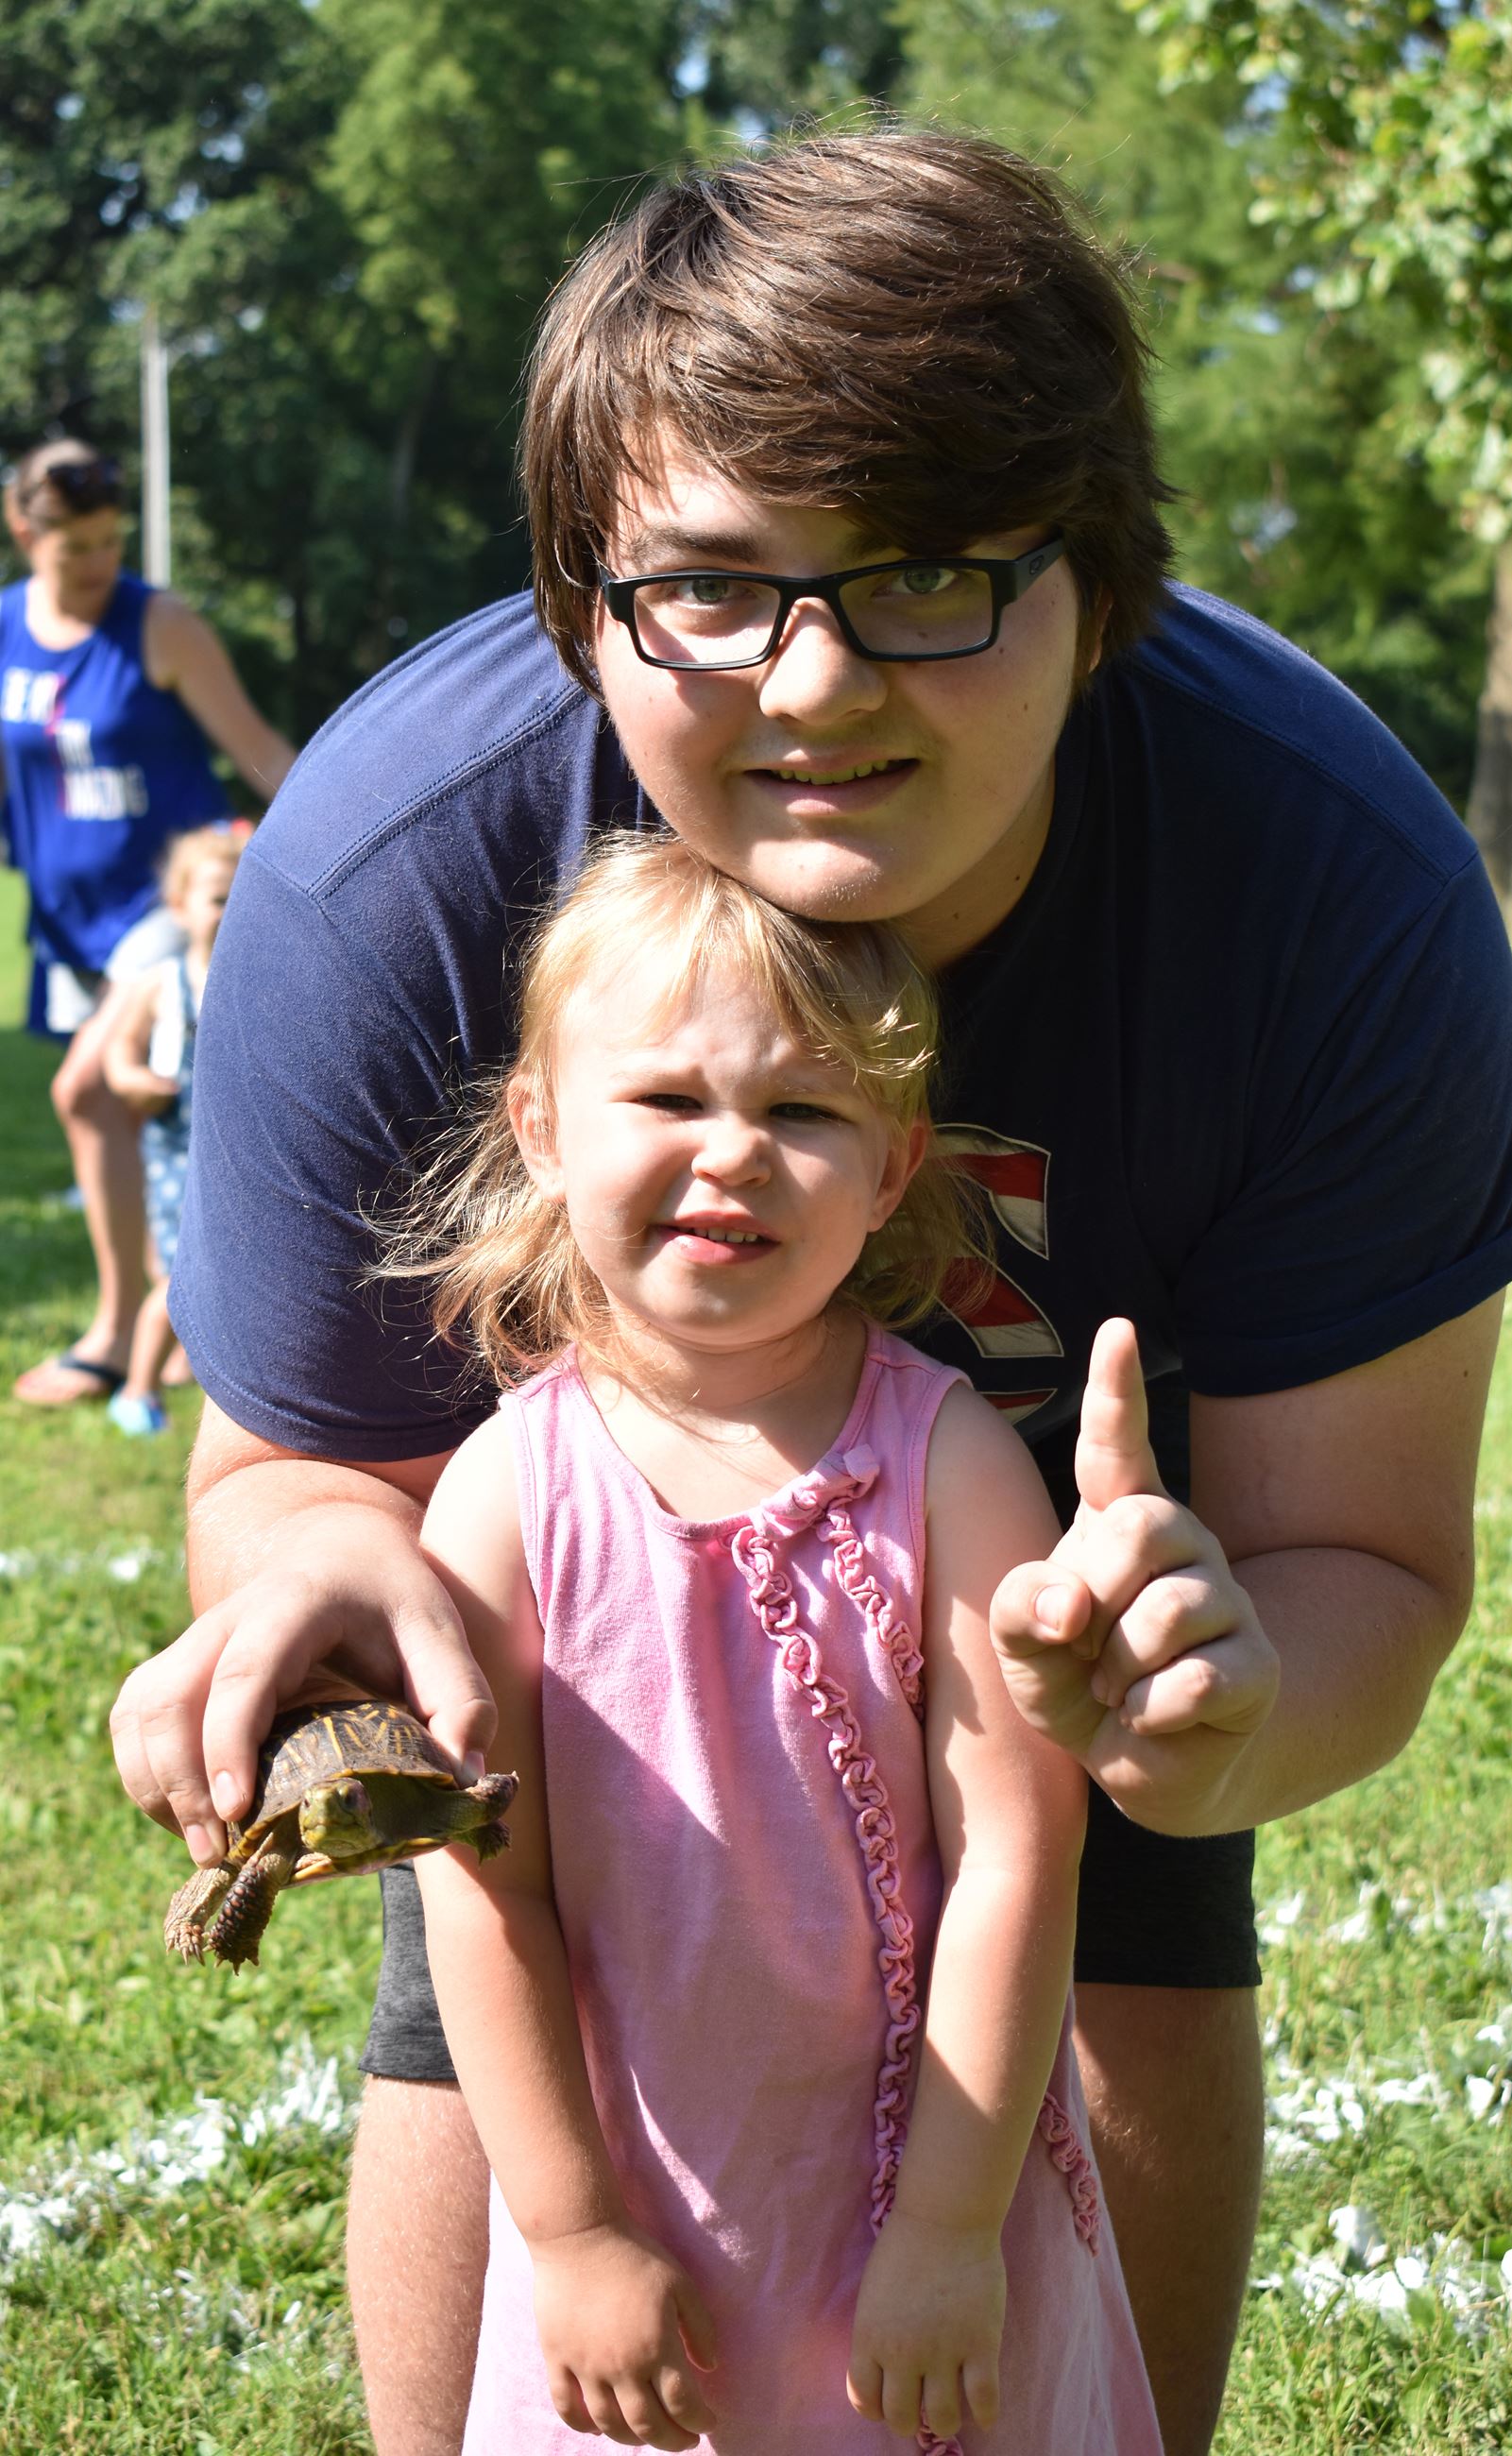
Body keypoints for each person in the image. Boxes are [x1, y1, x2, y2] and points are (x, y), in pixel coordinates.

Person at [107, 126, 1512, 2456]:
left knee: (1126, 1888)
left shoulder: (1323, 891)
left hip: (1053, 1556)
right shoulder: (390, 879)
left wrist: (1221, 1711)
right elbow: (295, 1467)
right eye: (710, 586)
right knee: (486, 1878)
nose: (816, 677)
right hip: (589, 1575)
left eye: (932, 570)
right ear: (581, 604)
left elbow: (1355, 1555)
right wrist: (332, 1575)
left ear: (1100, 586)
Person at [400, 828, 1161, 2453]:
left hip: (922, 2199)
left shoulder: (950, 1461)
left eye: (804, 1112)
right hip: (645, 2204)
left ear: (892, 1170)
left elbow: (1018, 1853)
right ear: (541, 1128)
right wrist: (569, 2231)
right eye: (668, 1099)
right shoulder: (504, 1496)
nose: (733, 1155)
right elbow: (484, 1892)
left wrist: (949, 2227)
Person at [1, 437, 295, 1407]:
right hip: (67, 919)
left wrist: (343, 838)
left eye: (108, 540)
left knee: (89, 1091)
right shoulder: (4, 630)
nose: (97, 563)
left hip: (163, 905)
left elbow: (257, 749)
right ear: (23, 530)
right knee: (142, 1115)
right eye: (74, 545)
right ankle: (189, 1322)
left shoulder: (159, 623)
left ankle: (116, 1330)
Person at [101, 825, 245, 1435]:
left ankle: (185, 1362)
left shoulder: (253, 978)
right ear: (179, 906)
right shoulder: (163, 983)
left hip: (233, 1150)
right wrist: (133, 1079)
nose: (229, 911)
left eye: (241, 898)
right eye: (216, 899)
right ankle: (137, 1390)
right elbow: (118, 1051)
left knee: (222, 1266)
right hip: (174, 1149)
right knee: (179, 1274)